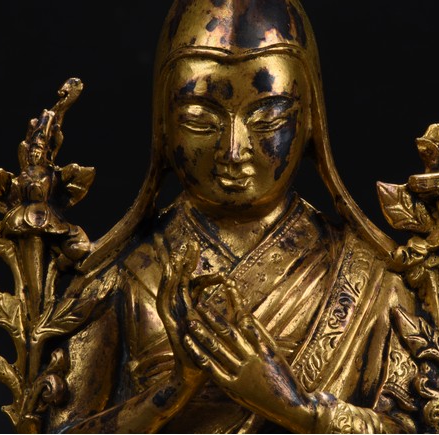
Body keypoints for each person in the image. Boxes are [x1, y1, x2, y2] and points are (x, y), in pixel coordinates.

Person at [48, 1, 418, 432]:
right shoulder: (121, 276)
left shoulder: (369, 279)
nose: (233, 151)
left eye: (268, 118)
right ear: (164, 126)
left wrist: (298, 409)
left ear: (309, 122)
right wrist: (168, 394)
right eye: (201, 120)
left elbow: (411, 427)